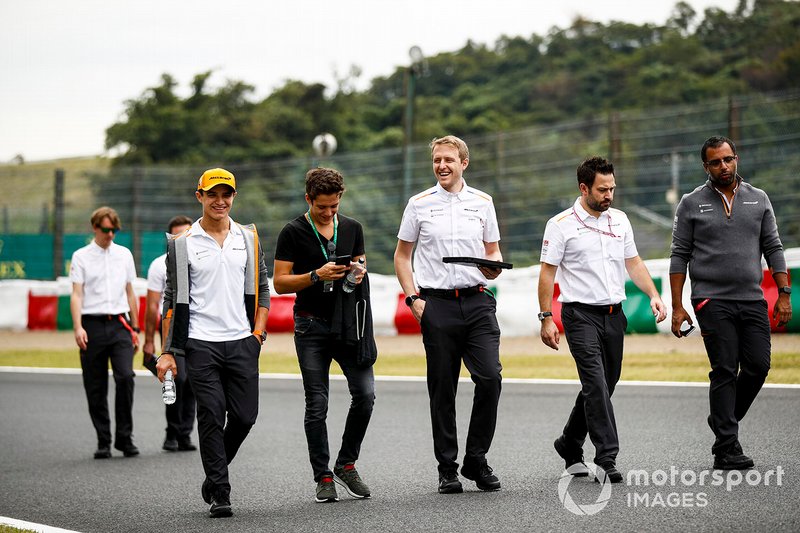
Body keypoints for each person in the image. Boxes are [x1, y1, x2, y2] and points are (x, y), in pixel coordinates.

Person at [538, 156, 666, 484]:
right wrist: (546, 317)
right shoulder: (561, 224)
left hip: (614, 315)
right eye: (602, 189)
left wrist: (653, 293)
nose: (609, 195)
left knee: (606, 384)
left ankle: (568, 443)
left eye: (612, 188)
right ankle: (606, 458)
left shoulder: (620, 220)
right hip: (580, 315)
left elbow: (633, 262)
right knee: (594, 384)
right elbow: (547, 274)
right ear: (584, 188)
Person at [670, 135, 791, 470]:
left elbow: (774, 247)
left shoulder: (759, 199)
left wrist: (783, 294)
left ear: (736, 158)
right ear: (705, 166)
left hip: (752, 297)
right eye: (715, 162)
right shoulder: (691, 203)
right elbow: (679, 256)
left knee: (758, 365)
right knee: (724, 368)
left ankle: (724, 419)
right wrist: (678, 307)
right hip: (710, 299)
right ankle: (726, 448)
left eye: (728, 159)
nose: (723, 166)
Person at [156, 168, 270, 518]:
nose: (220, 201)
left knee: (244, 416)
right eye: (213, 194)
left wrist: (258, 334)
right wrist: (167, 352)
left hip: (242, 342)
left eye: (227, 194)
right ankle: (221, 491)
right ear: (200, 196)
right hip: (200, 343)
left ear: (234, 196)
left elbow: (263, 288)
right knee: (209, 414)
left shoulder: (248, 237)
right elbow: (171, 300)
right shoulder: (181, 243)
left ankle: (212, 475)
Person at [394, 135, 504, 494]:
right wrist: (413, 299)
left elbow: (493, 251)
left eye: (449, 160)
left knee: (490, 378)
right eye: (437, 160)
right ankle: (447, 468)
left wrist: (494, 268)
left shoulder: (483, 202)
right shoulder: (419, 203)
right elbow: (401, 256)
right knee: (443, 388)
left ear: (464, 163)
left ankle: (476, 459)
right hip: (436, 304)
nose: (442, 166)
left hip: (477, 302)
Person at [273, 167, 376, 503]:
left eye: (334, 206)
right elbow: (280, 282)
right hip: (310, 325)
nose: (329, 212)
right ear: (308, 200)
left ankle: (347, 463)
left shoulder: (352, 228)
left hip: (348, 324)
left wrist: (358, 271)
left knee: (366, 394)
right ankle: (323, 476)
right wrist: (316, 276)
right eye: (322, 207)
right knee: (317, 404)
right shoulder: (292, 231)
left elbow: (360, 262)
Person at [69, 206, 141, 459]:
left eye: (115, 230)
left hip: (120, 324)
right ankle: (103, 439)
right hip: (92, 324)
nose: (111, 235)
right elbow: (77, 295)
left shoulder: (124, 254)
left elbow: (131, 292)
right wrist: (78, 327)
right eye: (106, 230)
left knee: (125, 377)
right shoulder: (81, 256)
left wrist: (135, 327)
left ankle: (125, 437)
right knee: (95, 385)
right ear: (95, 228)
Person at [143, 215, 197, 453]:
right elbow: (153, 305)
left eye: (186, 233)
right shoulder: (159, 265)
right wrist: (148, 342)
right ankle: (172, 432)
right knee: (176, 379)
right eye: (176, 235)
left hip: (198, 328)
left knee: (194, 383)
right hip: (172, 329)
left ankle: (185, 433)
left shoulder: (199, 258)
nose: (181, 239)